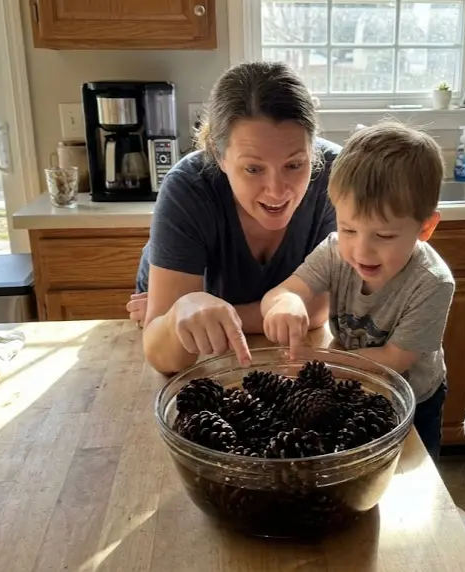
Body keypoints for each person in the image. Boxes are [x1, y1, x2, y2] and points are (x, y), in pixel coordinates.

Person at [260, 121, 456, 461]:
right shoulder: (335, 251)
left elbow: (393, 361)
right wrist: (286, 303)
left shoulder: (432, 282)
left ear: (425, 227)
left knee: (412, 474)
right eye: (349, 228)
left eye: (384, 236)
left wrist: (318, 361)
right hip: (352, 380)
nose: (362, 251)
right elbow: (281, 293)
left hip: (414, 397)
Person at [130, 61, 341, 374]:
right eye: (253, 169)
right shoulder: (186, 188)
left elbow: (318, 310)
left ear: (312, 149)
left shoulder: (337, 178)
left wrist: (219, 318)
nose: (276, 191)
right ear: (218, 155)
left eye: (295, 165)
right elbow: (165, 358)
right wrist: (175, 317)